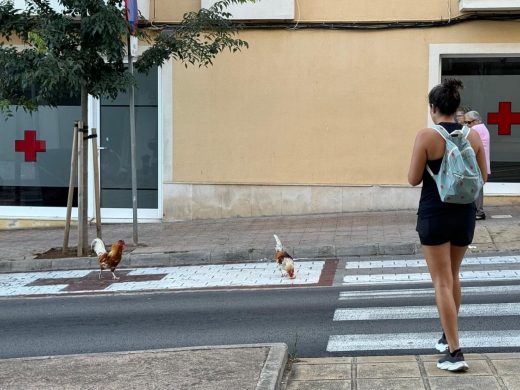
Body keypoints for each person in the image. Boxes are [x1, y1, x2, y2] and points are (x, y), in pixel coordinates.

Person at [408, 79, 488, 372]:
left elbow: (413, 178)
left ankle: (455, 353)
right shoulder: (475, 136)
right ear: (456, 109)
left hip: (435, 214)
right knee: (453, 276)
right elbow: (484, 177)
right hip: (464, 213)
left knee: (441, 280)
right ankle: (447, 333)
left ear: (433, 108)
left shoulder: (427, 137)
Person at [465, 110, 491, 220]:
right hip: (481, 163)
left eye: (468, 122)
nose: (466, 125)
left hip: (477, 163)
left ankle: (479, 212)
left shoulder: (476, 129)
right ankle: (478, 211)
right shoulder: (482, 128)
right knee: (478, 188)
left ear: (475, 121)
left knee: (477, 188)